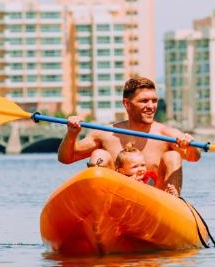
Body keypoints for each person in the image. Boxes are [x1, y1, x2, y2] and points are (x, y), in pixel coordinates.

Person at [58, 76, 200, 194]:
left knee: (172, 156)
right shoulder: (106, 135)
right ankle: (97, 204)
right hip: (115, 202)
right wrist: (72, 134)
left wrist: (191, 145)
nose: (151, 106)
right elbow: (66, 158)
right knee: (100, 155)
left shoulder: (166, 134)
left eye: (154, 100)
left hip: (157, 206)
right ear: (127, 104)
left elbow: (194, 157)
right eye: (144, 101)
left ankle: (174, 201)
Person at [114, 144, 180, 196]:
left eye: (143, 165)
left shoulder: (150, 177)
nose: (141, 169)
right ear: (122, 171)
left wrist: (168, 192)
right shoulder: (121, 180)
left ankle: (172, 195)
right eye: (135, 167)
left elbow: (157, 192)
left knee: (169, 191)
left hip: (151, 200)